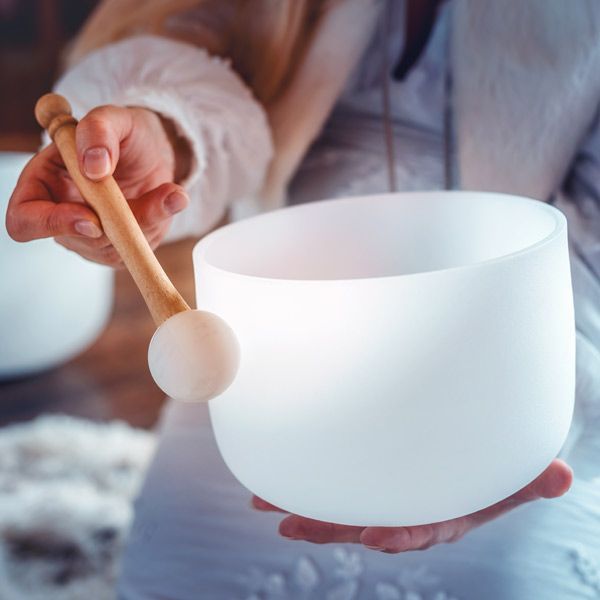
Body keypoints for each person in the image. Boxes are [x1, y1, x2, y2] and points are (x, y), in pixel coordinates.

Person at [6, 0, 600, 597]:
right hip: (279, 385)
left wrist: (524, 414)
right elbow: (194, 41)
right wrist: (163, 140)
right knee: (180, 577)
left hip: (501, 383)